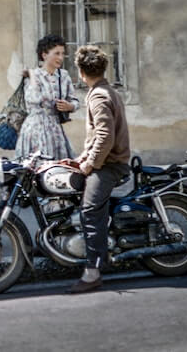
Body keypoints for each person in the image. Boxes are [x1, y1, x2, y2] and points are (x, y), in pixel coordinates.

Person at [67, 45, 131, 294]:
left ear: (81, 72)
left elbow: (104, 136)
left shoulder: (99, 96)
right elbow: (97, 137)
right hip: (107, 160)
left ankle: (93, 272)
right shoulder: (105, 90)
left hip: (110, 165)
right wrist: (80, 158)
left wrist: (90, 164)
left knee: (90, 210)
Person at [15, 34, 80, 160]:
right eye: (56, 53)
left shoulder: (64, 75)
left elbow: (75, 100)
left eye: (62, 53)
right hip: (35, 129)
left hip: (55, 129)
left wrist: (70, 106)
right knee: (36, 169)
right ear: (44, 55)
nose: (61, 57)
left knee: (56, 171)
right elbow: (33, 99)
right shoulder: (34, 76)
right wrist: (32, 75)